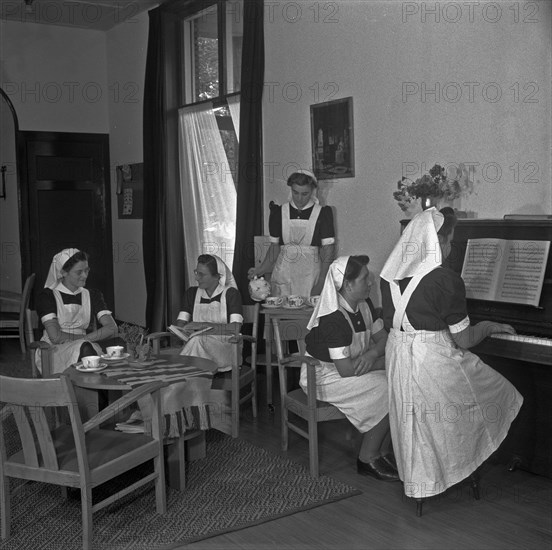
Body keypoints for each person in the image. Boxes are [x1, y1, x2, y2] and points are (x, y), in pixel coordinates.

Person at [380, 207, 524, 500]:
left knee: (417, 420)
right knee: (501, 392)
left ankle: (423, 477)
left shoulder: (389, 277)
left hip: (398, 359)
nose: (450, 248)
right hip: (431, 363)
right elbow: (465, 340)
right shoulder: (445, 280)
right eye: (448, 241)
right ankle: (463, 462)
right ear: (436, 243)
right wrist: (488, 324)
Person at [304, 255, 399, 481]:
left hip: (351, 368)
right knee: (388, 386)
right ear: (347, 284)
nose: (370, 282)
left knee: (399, 379)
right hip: (323, 376)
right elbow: (345, 370)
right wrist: (378, 361)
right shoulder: (334, 318)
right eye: (365, 278)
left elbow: (383, 338)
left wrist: (373, 354)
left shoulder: (363, 305)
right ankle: (367, 457)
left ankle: (382, 452)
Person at [248, 170, 335, 297]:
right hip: (283, 272)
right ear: (291, 190)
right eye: (295, 193)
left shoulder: (323, 213)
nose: (299, 198)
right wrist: (260, 269)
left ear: (312, 191)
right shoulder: (279, 212)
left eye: (305, 194)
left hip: (311, 276)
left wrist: (321, 282)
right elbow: (274, 247)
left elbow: (328, 251)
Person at [36, 248, 118, 374]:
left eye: (87, 270)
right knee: (86, 352)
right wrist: (86, 339)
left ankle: (92, 390)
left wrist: (84, 339)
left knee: (87, 351)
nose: (85, 275)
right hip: (54, 351)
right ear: (63, 272)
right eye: (79, 272)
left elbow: (112, 329)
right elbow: (55, 336)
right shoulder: (48, 296)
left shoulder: (93, 294)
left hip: (86, 344)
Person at [175, 254, 243, 371]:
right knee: (196, 341)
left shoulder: (231, 294)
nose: (197, 278)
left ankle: (180, 374)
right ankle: (190, 378)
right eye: (196, 272)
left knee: (198, 340)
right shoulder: (191, 293)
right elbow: (180, 323)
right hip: (196, 344)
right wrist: (183, 330)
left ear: (217, 276)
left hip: (226, 346)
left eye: (202, 274)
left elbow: (235, 328)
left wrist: (203, 326)